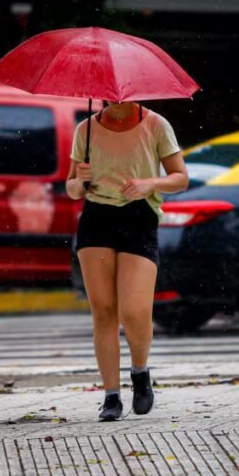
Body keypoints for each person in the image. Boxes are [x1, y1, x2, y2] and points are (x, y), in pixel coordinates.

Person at [67, 101, 188, 421]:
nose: (115, 99)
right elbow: (72, 189)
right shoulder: (86, 129)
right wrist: (80, 179)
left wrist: (151, 183)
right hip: (96, 219)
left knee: (134, 311)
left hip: (139, 218)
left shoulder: (156, 125)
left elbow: (180, 178)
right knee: (104, 311)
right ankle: (110, 396)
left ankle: (140, 373)